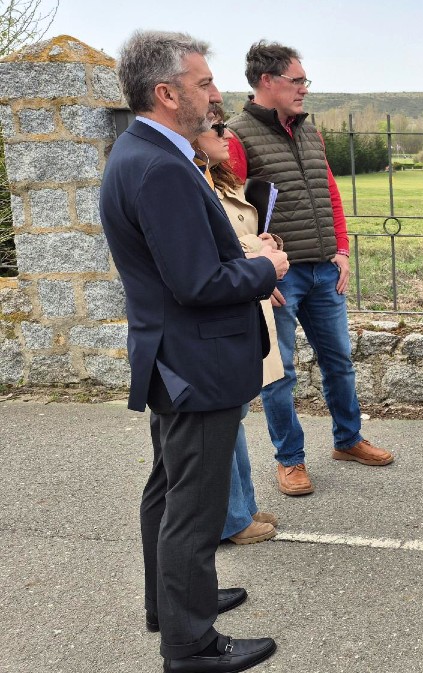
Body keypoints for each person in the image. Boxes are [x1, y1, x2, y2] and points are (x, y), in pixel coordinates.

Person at [100, 30, 285, 671]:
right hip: (194, 361)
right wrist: (267, 267)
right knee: (194, 507)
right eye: (203, 83)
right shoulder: (158, 165)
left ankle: (172, 601)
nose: (215, 92)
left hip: (172, 356)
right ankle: (190, 644)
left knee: (168, 487)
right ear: (165, 92)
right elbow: (197, 281)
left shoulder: (144, 152)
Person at [226, 40, 393, 497]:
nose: (304, 89)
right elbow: (231, 211)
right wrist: (259, 273)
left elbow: (330, 193)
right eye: (296, 80)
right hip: (279, 277)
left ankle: (348, 439)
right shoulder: (236, 136)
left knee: (339, 361)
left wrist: (341, 250)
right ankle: (290, 460)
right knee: (280, 373)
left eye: (305, 80)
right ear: (267, 81)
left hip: (324, 269)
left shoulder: (309, 131)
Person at [192, 105, 285, 543]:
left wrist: (266, 243)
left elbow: (240, 236)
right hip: (229, 304)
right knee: (225, 422)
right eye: (217, 127)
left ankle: (242, 506)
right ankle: (231, 519)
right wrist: (259, 253)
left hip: (247, 301)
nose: (227, 135)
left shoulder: (219, 178)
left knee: (238, 414)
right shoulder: (191, 182)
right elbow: (212, 252)